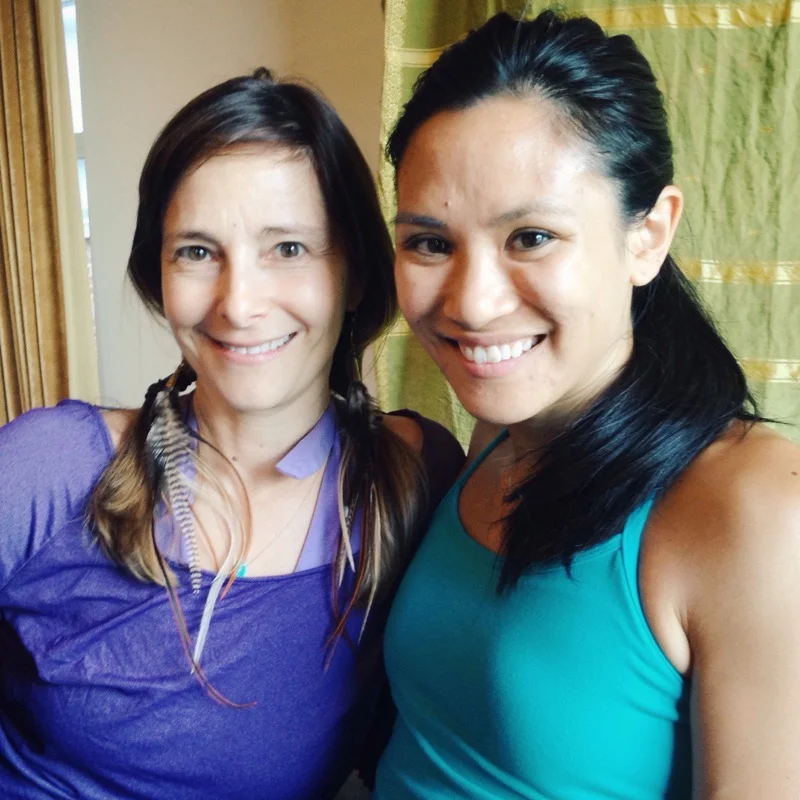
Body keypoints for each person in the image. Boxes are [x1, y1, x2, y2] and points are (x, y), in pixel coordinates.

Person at [0, 69, 464, 799]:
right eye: (195, 250)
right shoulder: (51, 466)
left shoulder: (414, 475)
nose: (238, 304)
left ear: (355, 274)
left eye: (288, 249)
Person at [374, 10, 800, 799]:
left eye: (531, 236)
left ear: (648, 236)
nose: (472, 303)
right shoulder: (500, 427)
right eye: (430, 242)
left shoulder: (757, 502)